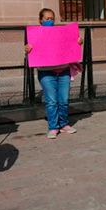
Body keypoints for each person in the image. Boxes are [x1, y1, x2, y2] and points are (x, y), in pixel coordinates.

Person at [25, 8, 81, 138]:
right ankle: (53, 126)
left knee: (64, 99)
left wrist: (78, 42)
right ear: (41, 20)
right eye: (47, 18)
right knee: (51, 101)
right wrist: (27, 49)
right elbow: (30, 51)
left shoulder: (61, 33)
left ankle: (64, 124)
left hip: (63, 70)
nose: (50, 20)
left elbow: (72, 44)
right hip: (46, 72)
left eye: (52, 18)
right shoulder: (36, 35)